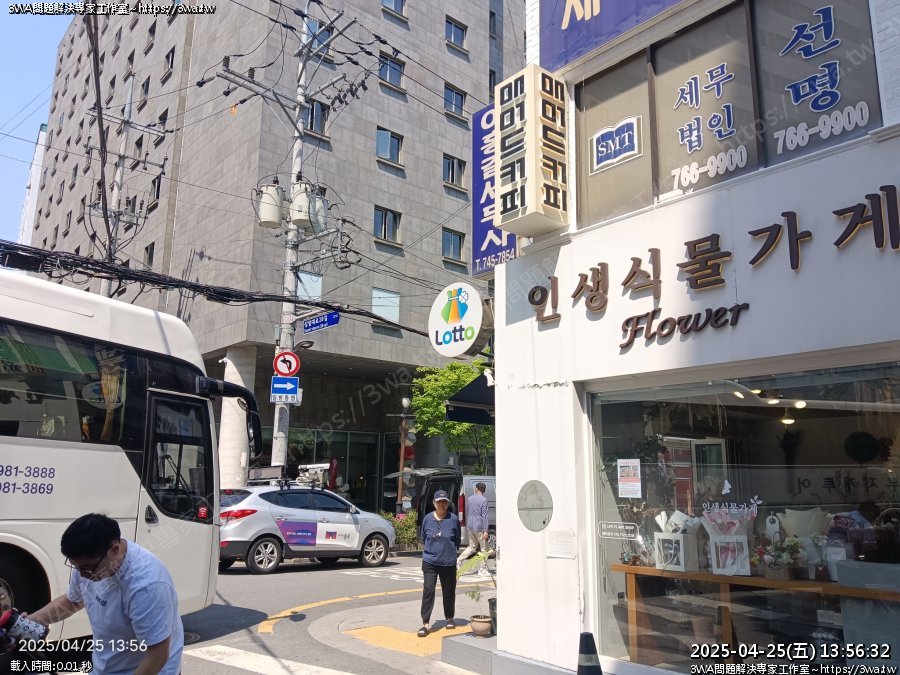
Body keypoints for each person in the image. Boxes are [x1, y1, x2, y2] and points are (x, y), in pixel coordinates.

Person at [27, 513, 183, 674]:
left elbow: (157, 656)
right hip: (107, 665)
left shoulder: (146, 586)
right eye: (76, 567)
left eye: (86, 568)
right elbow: (72, 602)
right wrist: (27, 622)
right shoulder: (91, 564)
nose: (81, 574)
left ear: (114, 549)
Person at [418, 490, 460, 637]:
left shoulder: (453, 519)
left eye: (444, 502)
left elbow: (457, 540)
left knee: (448, 591)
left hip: (448, 561)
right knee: (428, 590)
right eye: (439, 502)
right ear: (434, 503)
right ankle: (425, 623)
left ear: (448, 503)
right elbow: (424, 538)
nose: (442, 504)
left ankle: (449, 617)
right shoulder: (427, 519)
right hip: (430, 561)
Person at [457, 482, 490, 576]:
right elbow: (484, 516)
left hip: (470, 525)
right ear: (483, 490)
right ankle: (482, 569)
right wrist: (485, 531)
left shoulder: (470, 499)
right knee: (484, 549)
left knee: (472, 547)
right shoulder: (484, 500)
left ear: (476, 489)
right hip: (479, 527)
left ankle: (459, 560)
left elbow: (468, 512)